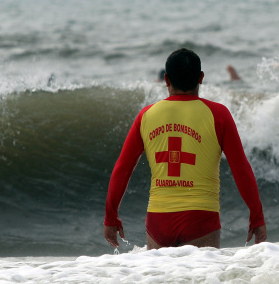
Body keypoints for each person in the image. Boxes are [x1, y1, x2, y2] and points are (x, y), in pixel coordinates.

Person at [104, 48, 267, 250]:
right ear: (201, 78)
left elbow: (122, 168)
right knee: (201, 280)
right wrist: (256, 216)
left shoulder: (146, 116)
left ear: (166, 79)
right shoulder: (219, 114)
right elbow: (240, 169)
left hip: (159, 219)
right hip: (201, 218)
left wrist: (111, 217)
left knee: (162, 282)